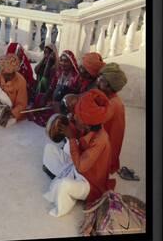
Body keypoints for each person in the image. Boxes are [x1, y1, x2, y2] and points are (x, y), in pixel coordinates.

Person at [42, 89, 116, 217]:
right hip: (76, 168)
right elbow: (76, 134)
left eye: (77, 116)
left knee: (63, 185)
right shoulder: (88, 127)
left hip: (89, 183)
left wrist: (71, 139)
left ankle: (66, 196)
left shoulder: (101, 140)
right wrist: (63, 127)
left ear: (87, 124)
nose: (75, 117)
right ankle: (63, 177)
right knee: (49, 149)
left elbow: (81, 167)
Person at [30, 49, 81, 127]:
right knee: (39, 97)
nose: (63, 63)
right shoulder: (58, 72)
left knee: (54, 116)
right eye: (61, 61)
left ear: (71, 63)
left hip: (65, 105)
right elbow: (52, 87)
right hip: (54, 100)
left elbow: (74, 96)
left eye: (66, 61)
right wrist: (46, 96)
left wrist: (59, 104)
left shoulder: (76, 77)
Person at [97, 63, 129, 176]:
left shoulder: (113, 104)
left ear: (109, 86)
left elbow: (113, 140)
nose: (97, 80)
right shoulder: (108, 98)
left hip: (105, 153)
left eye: (101, 79)